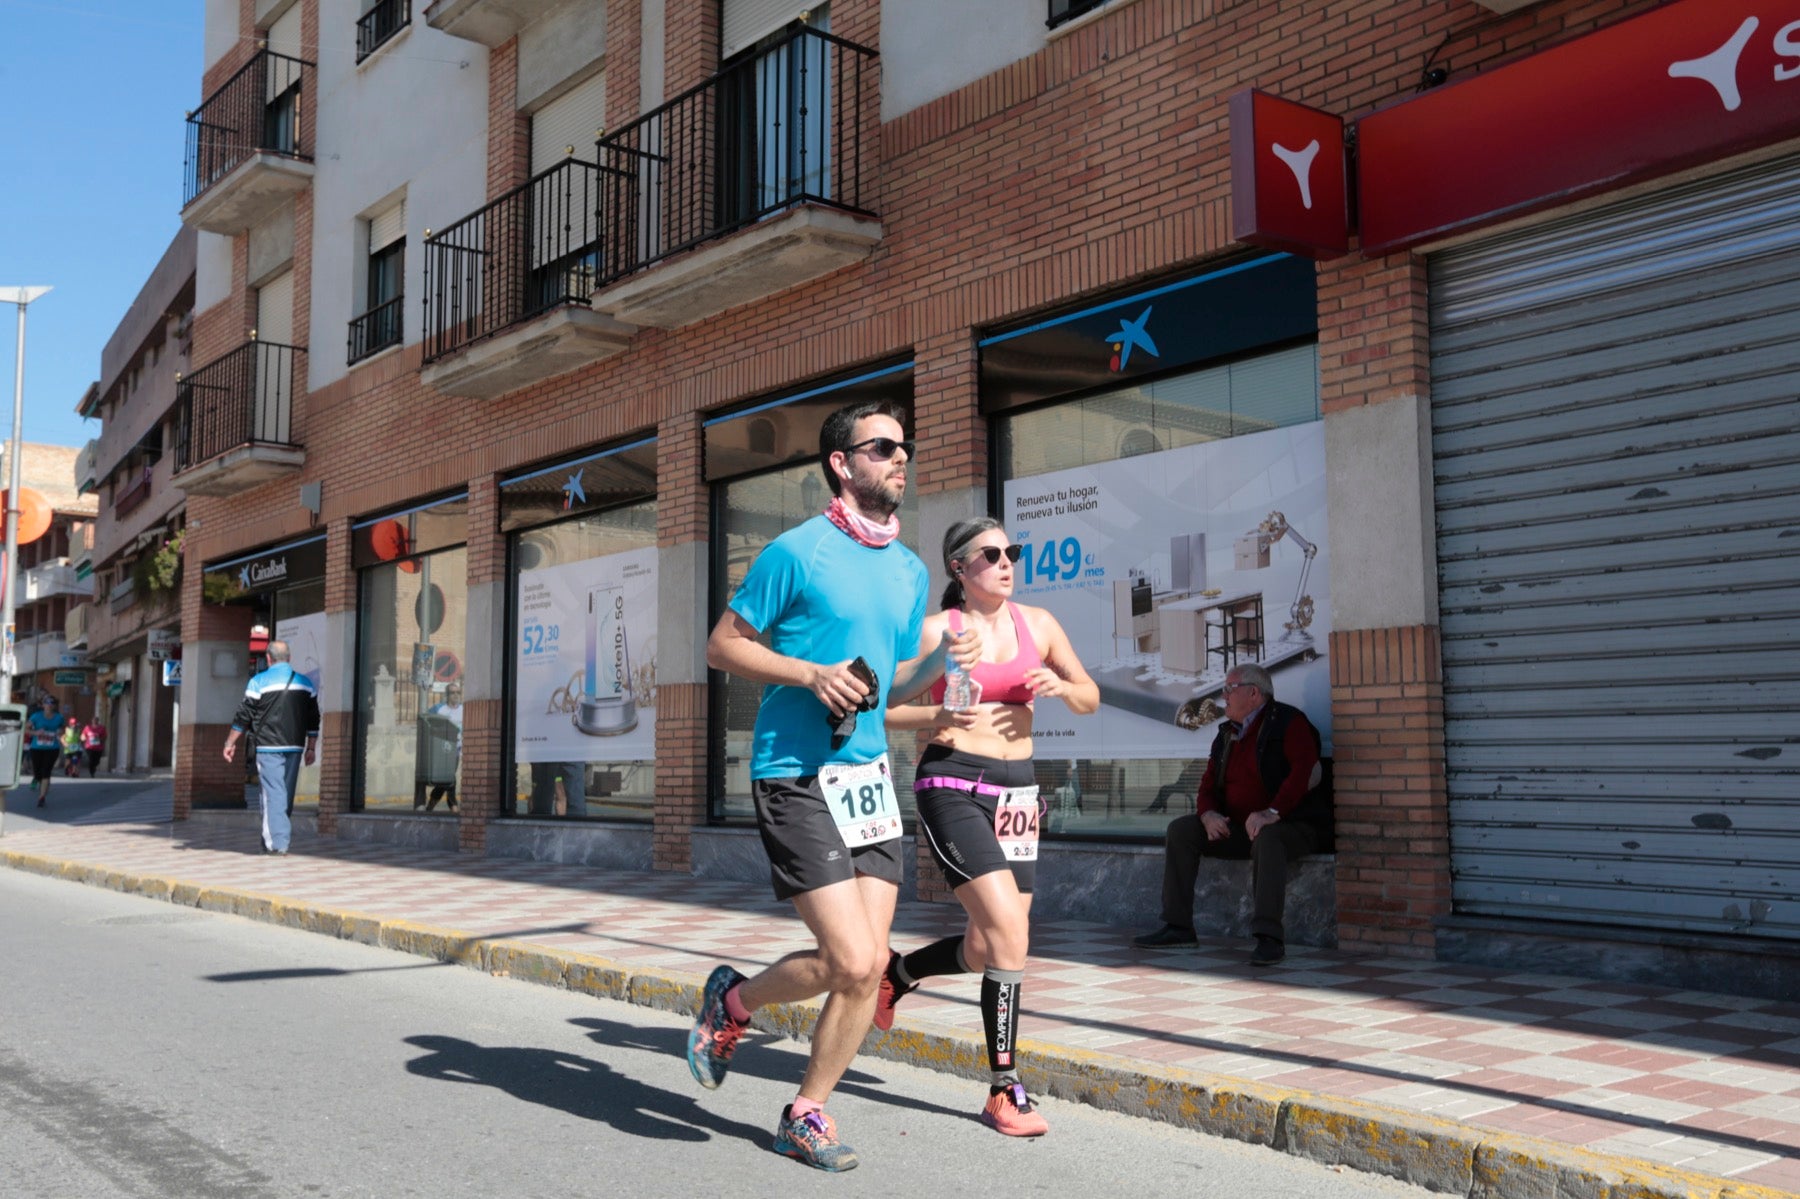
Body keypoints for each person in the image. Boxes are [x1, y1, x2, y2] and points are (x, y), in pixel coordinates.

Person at [690, 400, 978, 1172]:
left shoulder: (910, 569)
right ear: (841, 464)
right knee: (850, 956)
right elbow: (722, 645)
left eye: (904, 445)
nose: (900, 456)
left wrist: (941, 673)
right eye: (882, 446)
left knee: (866, 962)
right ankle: (736, 1004)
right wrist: (809, 673)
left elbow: (887, 685)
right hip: (794, 771)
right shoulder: (797, 551)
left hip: (868, 778)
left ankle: (803, 1106)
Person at [879, 517, 1099, 1137]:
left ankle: (897, 976)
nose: (1006, 563)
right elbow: (883, 705)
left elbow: (1090, 696)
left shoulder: (1040, 625)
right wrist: (937, 714)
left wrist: (1060, 685)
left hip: (1018, 793)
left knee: (988, 947)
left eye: (1012, 552)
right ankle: (1004, 1090)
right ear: (960, 568)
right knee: (1008, 931)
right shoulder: (938, 630)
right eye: (991, 554)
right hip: (952, 784)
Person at [1132, 663, 1329, 966]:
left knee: (1268, 838)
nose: (1223, 695)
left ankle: (1269, 938)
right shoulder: (1226, 734)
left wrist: (1272, 812)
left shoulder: (1289, 722)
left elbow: (1304, 771)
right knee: (1182, 831)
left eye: (1229, 689)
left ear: (1254, 693)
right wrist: (1208, 814)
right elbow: (1208, 784)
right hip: (1238, 827)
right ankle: (1178, 927)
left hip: (1291, 824)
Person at [222, 640, 320, 855]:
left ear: (268, 658)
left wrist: (230, 742)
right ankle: (274, 838)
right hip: (295, 746)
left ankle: (277, 843)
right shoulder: (305, 683)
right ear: (289, 658)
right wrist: (311, 747)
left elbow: (244, 716)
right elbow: (313, 719)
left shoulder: (258, 682)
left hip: (268, 747)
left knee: (273, 794)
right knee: (284, 795)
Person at [423, 682, 463, 812]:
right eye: (453, 692)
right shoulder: (439, 709)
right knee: (447, 778)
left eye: (458, 692)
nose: (456, 695)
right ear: (447, 695)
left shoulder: (464, 710)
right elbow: (426, 719)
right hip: (440, 750)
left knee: (448, 777)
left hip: (455, 750)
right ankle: (452, 807)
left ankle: (433, 806)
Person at [25, 695, 63, 808]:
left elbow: (62, 729)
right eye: (47, 703)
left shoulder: (59, 717)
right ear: (43, 705)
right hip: (36, 748)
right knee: (38, 773)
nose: (49, 705)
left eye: (52, 703)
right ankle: (40, 781)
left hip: (52, 749)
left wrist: (60, 732)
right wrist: (36, 733)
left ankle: (41, 797)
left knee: (46, 771)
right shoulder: (36, 716)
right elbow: (26, 729)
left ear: (54, 705)